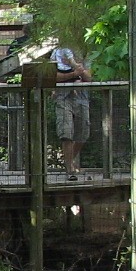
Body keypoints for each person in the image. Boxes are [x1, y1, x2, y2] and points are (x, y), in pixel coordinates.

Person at [51, 46, 92, 179]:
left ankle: (69, 161)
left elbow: (89, 77)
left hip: (82, 98)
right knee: (66, 132)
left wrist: (74, 65)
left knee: (83, 134)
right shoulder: (56, 52)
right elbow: (53, 76)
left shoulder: (87, 53)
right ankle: (70, 170)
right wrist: (74, 74)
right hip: (63, 97)